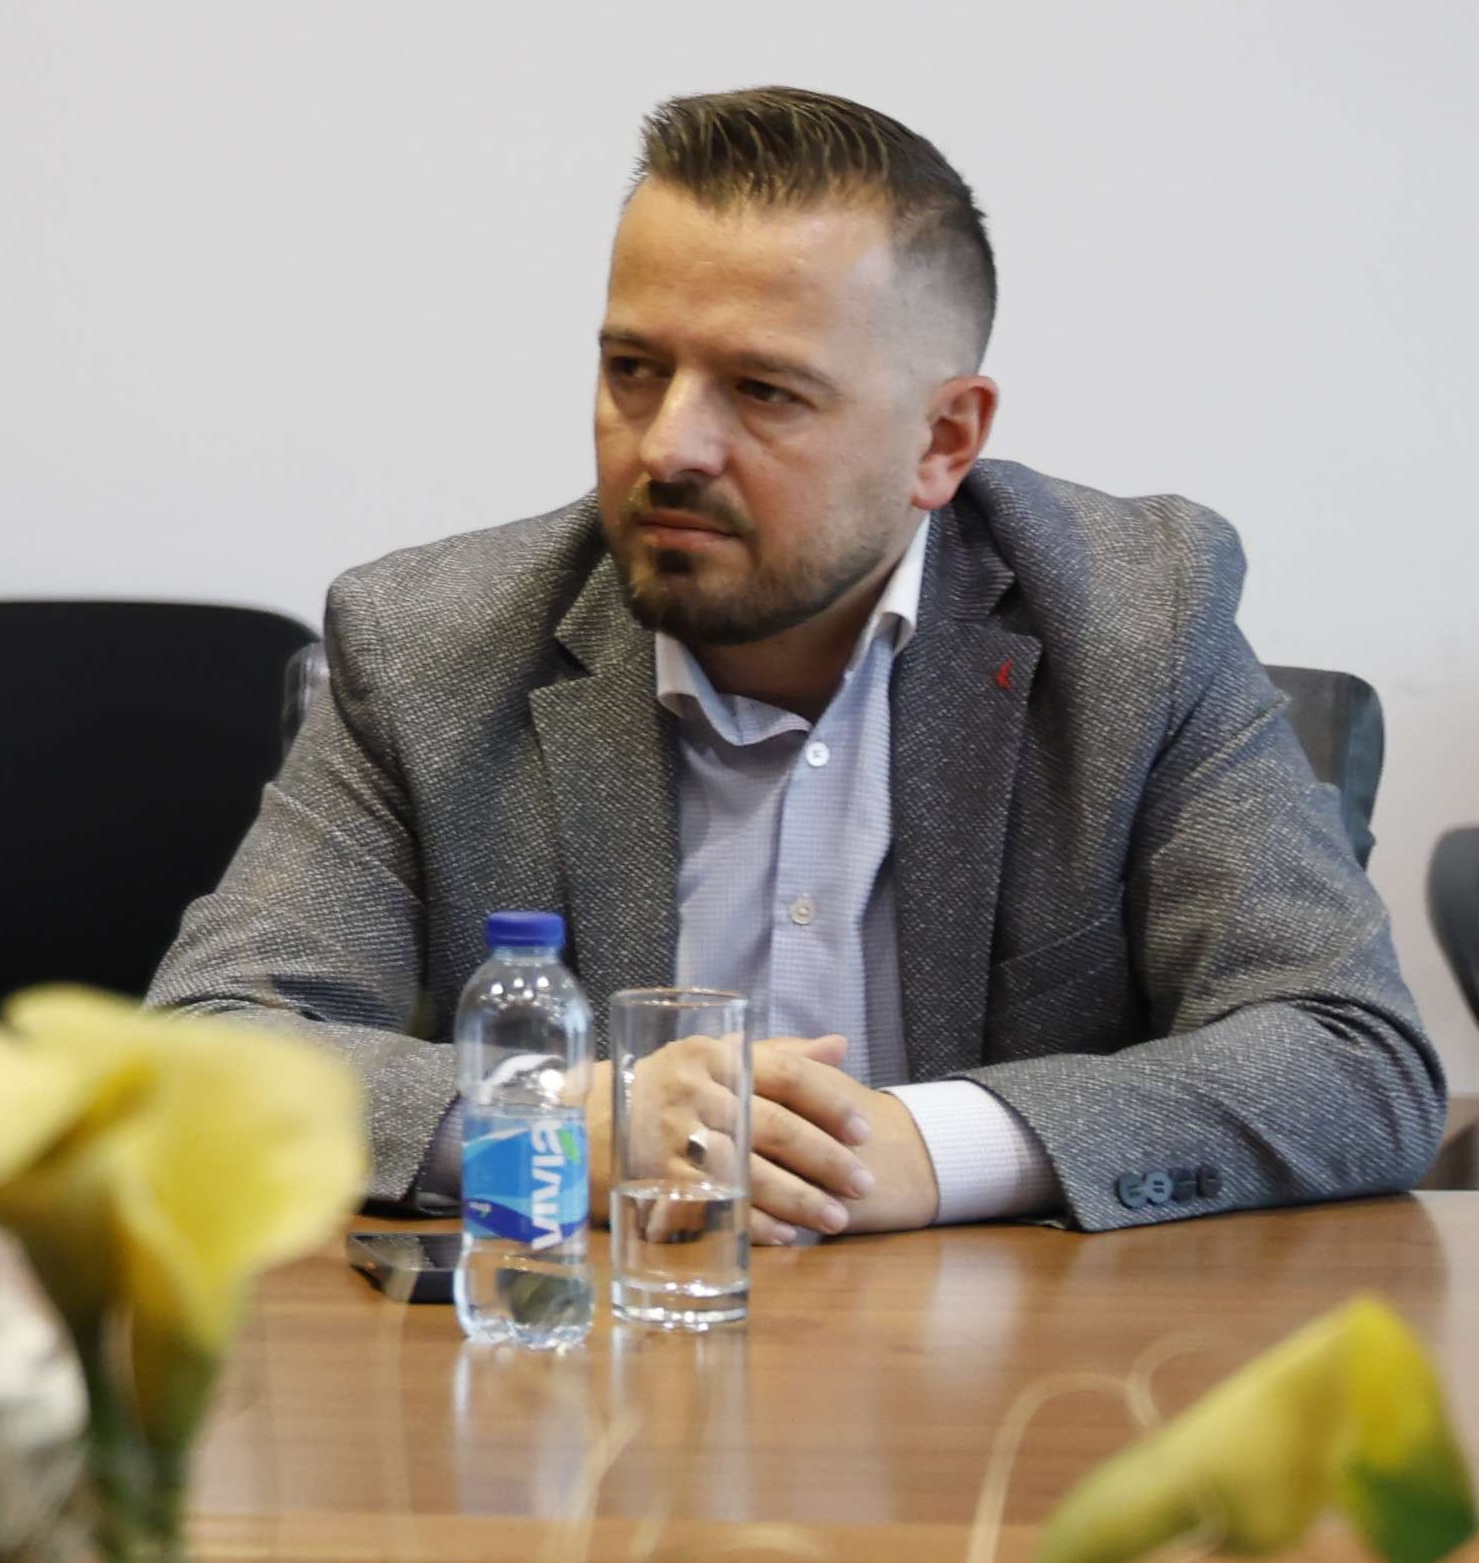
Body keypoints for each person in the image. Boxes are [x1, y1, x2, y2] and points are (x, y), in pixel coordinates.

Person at [154, 87, 1439, 1236]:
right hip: (573, 1381)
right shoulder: (431, 645)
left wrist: (931, 1147)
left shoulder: (1135, 620)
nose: (668, 445)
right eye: (632, 368)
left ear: (944, 439)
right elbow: (199, 1058)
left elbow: (1348, 1057)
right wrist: (553, 1125)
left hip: (1020, 1390)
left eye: (764, 390)